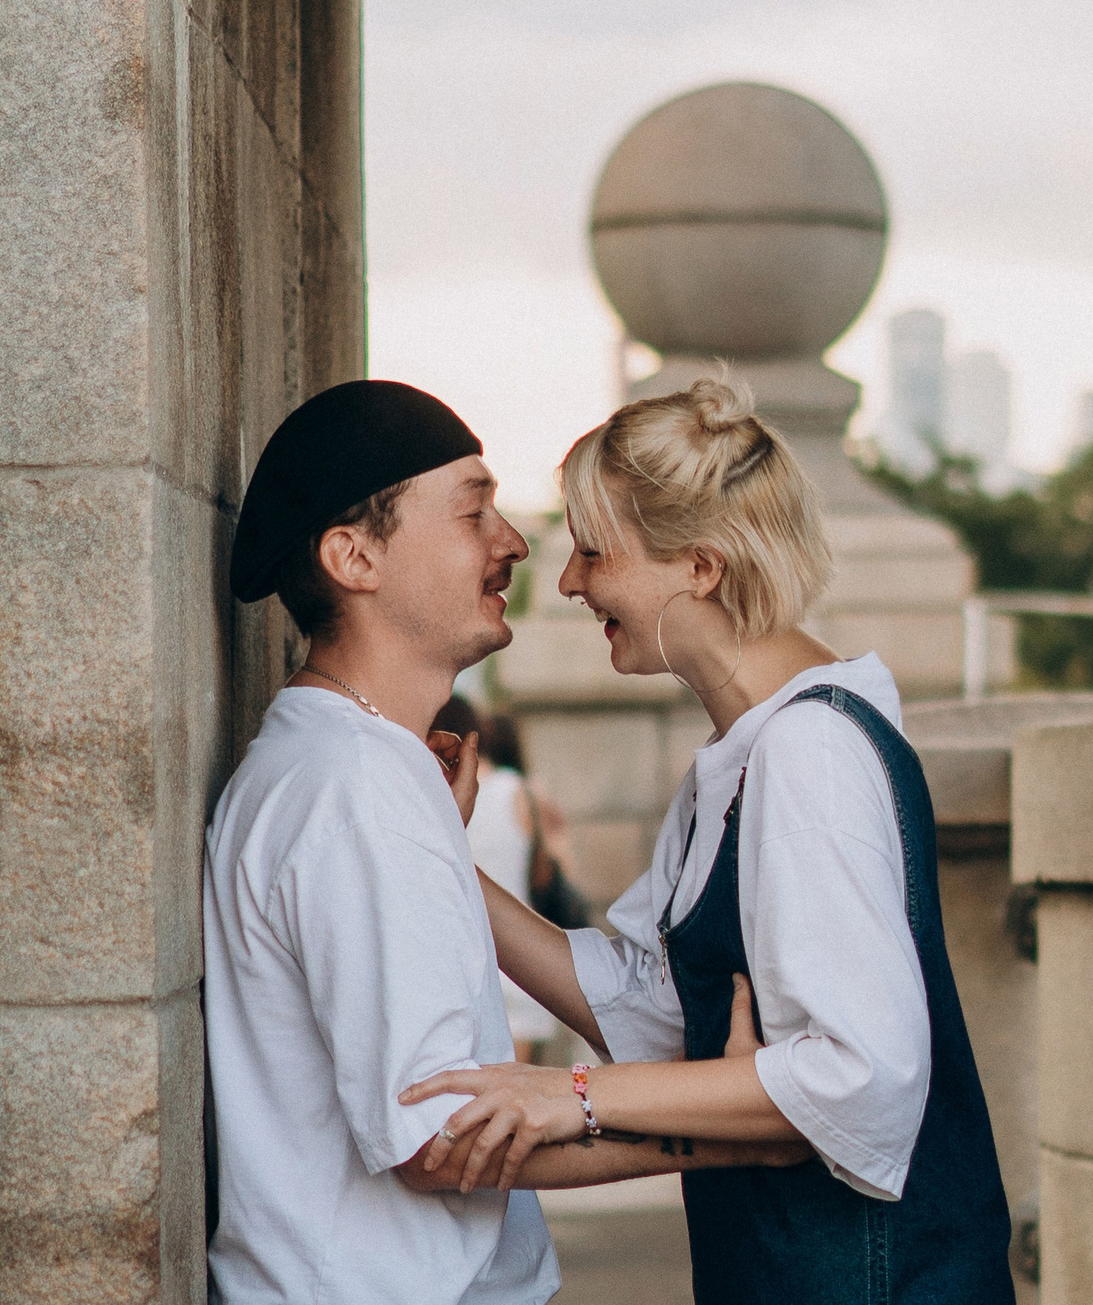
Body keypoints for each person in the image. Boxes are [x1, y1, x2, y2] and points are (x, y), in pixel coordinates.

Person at [400, 376, 1015, 1302]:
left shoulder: (808, 754)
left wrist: (568, 1095)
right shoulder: (744, 755)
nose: (567, 580)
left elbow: (863, 1076)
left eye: (596, 551)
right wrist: (447, 855)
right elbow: (651, 1009)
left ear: (700, 565)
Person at [203, 380, 805, 1305]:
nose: (516, 543)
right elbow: (440, 1139)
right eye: (474, 510)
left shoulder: (356, 767)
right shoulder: (356, 787)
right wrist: (749, 1123)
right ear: (353, 555)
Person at [438, 695, 568, 1061]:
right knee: (519, 1098)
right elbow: (549, 870)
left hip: (458, 965)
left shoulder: (431, 792)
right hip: (522, 963)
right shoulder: (522, 792)